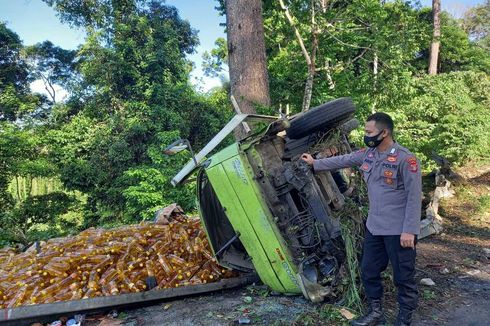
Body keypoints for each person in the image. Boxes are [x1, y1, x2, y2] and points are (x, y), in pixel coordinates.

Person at [301, 112, 422, 326]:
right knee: (368, 270)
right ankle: (375, 312)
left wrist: (410, 230)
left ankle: (404, 318)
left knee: (403, 276)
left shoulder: (406, 159)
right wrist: (315, 163)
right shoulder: (369, 154)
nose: (366, 135)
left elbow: (414, 197)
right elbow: (343, 159)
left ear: (384, 133)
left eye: (369, 132)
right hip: (374, 227)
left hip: (398, 230)